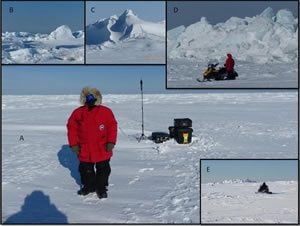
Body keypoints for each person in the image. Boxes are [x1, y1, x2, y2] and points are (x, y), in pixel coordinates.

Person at [67, 87, 118, 199]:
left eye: (92, 97)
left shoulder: (106, 111)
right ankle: (88, 186)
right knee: (86, 170)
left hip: (102, 147)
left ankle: (101, 188)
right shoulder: (78, 113)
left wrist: (111, 142)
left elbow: (112, 127)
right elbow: (72, 129)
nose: (90, 100)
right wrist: (74, 144)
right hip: (85, 148)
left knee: (103, 170)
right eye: (87, 97)